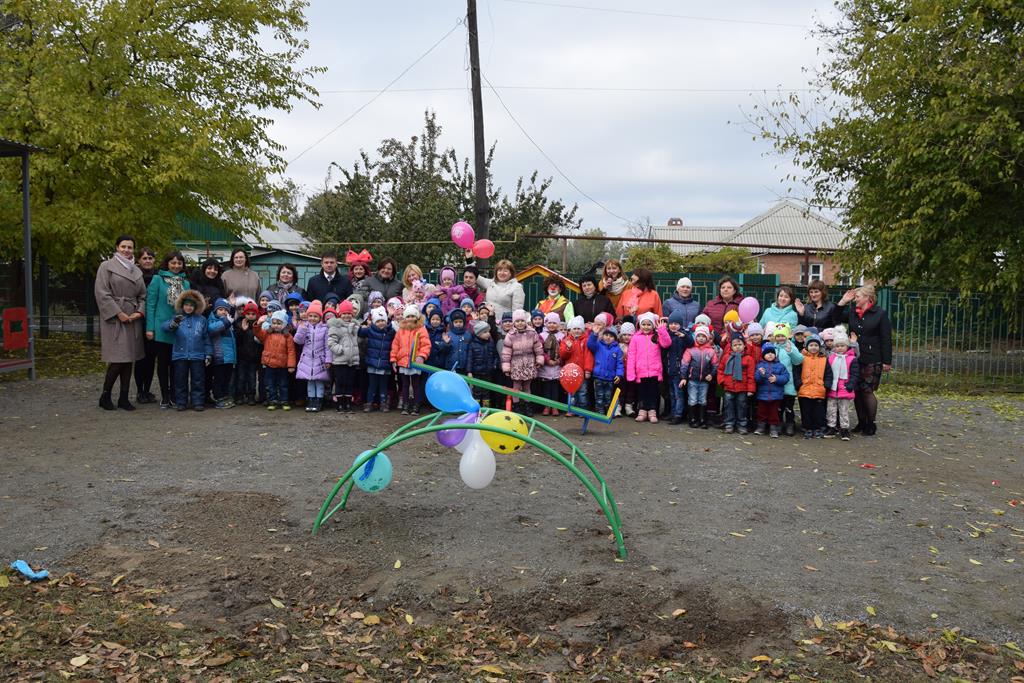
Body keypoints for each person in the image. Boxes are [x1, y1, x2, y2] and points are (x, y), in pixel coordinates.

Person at [94, 235, 148, 411]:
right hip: (115, 318)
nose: (126, 250)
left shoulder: (137, 270)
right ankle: (105, 395)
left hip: (133, 317)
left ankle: (124, 397)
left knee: (129, 359)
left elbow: (143, 295)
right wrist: (118, 313)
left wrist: (139, 311)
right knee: (118, 358)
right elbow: (102, 293)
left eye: (130, 247)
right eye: (123, 246)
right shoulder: (106, 267)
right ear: (117, 247)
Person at [836, 284, 892, 436]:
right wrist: (843, 301)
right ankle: (861, 422)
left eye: (857, 297)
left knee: (867, 390)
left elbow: (886, 338)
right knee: (856, 391)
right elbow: (836, 317)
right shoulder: (853, 313)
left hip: (873, 358)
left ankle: (870, 423)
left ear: (867, 297)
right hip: (854, 358)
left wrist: (887, 361)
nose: (855, 300)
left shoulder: (879, 314)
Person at [146, 250, 190, 408]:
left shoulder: (185, 283)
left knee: (176, 364)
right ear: (167, 263)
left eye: (179, 263)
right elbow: (150, 304)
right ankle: (165, 395)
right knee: (163, 364)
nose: (176, 266)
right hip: (161, 328)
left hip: (179, 329)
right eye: (173, 263)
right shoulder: (157, 279)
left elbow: (188, 306)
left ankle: (174, 394)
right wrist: (150, 328)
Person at [161, 290, 209, 411]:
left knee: (198, 380)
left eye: (191, 305)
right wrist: (173, 324)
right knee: (180, 380)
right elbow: (164, 327)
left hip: (198, 355)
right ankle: (181, 402)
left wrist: (209, 354)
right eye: (186, 305)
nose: (189, 307)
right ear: (182, 306)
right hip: (180, 355)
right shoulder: (177, 318)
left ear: (196, 307)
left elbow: (206, 338)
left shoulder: (202, 320)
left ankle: (197, 402)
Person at [626, 312, 671, 423]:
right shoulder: (635, 338)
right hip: (640, 371)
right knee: (642, 393)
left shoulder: (656, 336)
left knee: (653, 392)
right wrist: (631, 373)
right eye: (644, 324)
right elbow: (631, 356)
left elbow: (666, 343)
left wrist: (662, 330)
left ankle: (652, 412)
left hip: (654, 371)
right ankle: (642, 412)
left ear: (653, 325)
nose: (646, 327)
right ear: (640, 325)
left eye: (649, 324)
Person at [501, 309, 544, 415]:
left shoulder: (532, 333)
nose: (520, 323)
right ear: (514, 322)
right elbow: (506, 352)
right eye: (517, 321)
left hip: (529, 363)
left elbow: (538, 348)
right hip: (516, 364)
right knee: (516, 387)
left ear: (525, 321)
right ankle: (517, 406)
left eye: (522, 321)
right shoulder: (510, 335)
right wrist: (506, 367)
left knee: (527, 387)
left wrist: (539, 360)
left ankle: (527, 406)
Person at [391, 304, 431, 415]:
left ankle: (416, 405)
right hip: (403, 361)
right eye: (408, 316)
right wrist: (393, 358)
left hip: (415, 362)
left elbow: (426, 345)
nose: (410, 319)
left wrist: (421, 356)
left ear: (416, 317)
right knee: (404, 385)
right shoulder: (401, 330)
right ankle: (405, 405)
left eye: (412, 316)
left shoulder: (421, 329)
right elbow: (395, 345)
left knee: (415, 384)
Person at [131, 247, 159, 404]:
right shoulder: (134, 276)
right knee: (140, 358)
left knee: (151, 358)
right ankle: (140, 390)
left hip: (154, 321)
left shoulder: (159, 276)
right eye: (144, 258)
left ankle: (147, 389)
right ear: (139, 260)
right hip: (139, 320)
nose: (147, 261)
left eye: (150, 258)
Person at [294, 300, 331, 412]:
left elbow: (327, 346)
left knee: (319, 381)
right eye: (310, 316)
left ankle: (319, 401)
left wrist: (328, 360)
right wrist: (301, 329)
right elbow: (298, 341)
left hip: (320, 360)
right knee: (310, 381)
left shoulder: (325, 328)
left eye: (315, 316)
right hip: (307, 359)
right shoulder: (304, 326)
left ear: (320, 317)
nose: (312, 318)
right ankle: (310, 400)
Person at [256, 310, 297, 410]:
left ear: (284, 324)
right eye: (274, 323)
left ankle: (284, 400)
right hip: (269, 364)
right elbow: (258, 334)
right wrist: (258, 324)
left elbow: (291, 351)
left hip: (282, 365)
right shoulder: (267, 333)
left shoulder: (288, 336)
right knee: (270, 384)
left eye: (279, 323)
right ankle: (272, 400)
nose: (276, 326)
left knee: (283, 384)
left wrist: (291, 365)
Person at [680, 324, 719, 429]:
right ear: (695, 337)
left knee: (703, 399)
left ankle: (702, 419)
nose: (701, 338)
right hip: (692, 380)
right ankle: (692, 418)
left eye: (703, 336)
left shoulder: (711, 351)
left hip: (704, 381)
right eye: (699, 336)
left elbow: (715, 365)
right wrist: (683, 377)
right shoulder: (690, 349)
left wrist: (711, 374)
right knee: (693, 399)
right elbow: (684, 364)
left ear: (707, 338)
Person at [359, 308, 396, 412]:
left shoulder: (391, 332)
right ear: (374, 322)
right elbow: (360, 332)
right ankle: (369, 403)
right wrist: (363, 325)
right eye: (378, 321)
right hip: (372, 363)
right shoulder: (370, 330)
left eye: (383, 320)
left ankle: (383, 403)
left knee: (383, 385)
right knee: (372, 385)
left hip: (385, 363)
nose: (381, 323)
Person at [824, 329, 859, 440]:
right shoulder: (831, 358)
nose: (839, 348)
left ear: (847, 346)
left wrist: (850, 385)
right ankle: (831, 427)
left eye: (842, 346)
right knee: (831, 410)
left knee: (844, 410)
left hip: (845, 388)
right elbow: (828, 372)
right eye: (837, 346)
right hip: (832, 389)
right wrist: (827, 384)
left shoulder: (852, 359)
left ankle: (844, 429)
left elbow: (855, 374)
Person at [327, 300, 360, 413]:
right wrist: (340, 350)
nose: (346, 316)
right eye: (344, 313)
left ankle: (348, 403)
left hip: (352, 360)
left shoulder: (355, 327)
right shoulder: (336, 326)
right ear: (340, 314)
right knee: (340, 382)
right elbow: (331, 342)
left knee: (350, 382)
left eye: (349, 313)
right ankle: (340, 404)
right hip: (340, 360)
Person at [718, 333, 755, 434]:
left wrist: (751, 389)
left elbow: (751, 375)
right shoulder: (726, 357)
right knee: (728, 406)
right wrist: (722, 381)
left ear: (744, 345)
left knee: (741, 406)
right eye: (735, 345)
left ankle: (742, 425)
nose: (737, 347)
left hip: (742, 388)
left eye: (740, 344)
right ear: (731, 346)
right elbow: (720, 370)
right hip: (728, 386)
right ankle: (729, 424)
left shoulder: (748, 358)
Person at [771, 323, 804, 436]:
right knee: (778, 406)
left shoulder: (791, 346)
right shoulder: (773, 348)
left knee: (789, 406)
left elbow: (799, 360)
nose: (780, 338)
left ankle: (790, 424)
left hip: (789, 382)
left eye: (782, 336)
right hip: (776, 382)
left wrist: (791, 352)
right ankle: (779, 423)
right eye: (778, 336)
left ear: (787, 336)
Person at [206, 298, 237, 409]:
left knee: (227, 378)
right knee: (219, 379)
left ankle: (224, 396)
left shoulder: (229, 322)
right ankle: (218, 398)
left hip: (229, 357)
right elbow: (211, 329)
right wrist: (226, 321)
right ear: (215, 310)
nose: (224, 312)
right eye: (221, 309)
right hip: (219, 357)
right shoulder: (213, 320)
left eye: (226, 310)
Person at [664, 310, 694, 425]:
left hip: (679, 371)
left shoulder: (684, 334)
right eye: (671, 323)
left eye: (676, 324)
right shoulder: (667, 334)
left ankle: (678, 415)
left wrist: (684, 337)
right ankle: (673, 413)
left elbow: (691, 343)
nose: (673, 326)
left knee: (678, 394)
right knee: (671, 394)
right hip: (669, 370)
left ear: (680, 325)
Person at [587, 325, 624, 417]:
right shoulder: (598, 345)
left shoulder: (617, 349)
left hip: (610, 378)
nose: (608, 337)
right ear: (603, 335)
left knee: (608, 396)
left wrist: (619, 375)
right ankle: (600, 412)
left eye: (611, 336)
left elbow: (620, 363)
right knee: (599, 396)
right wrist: (594, 334)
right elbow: (590, 344)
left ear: (615, 338)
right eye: (606, 335)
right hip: (598, 376)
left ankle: (608, 411)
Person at [798, 333, 830, 438]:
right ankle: (807, 428)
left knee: (818, 411)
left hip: (819, 389)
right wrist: (798, 383)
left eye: (816, 345)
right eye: (811, 345)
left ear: (819, 347)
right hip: (804, 389)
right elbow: (796, 371)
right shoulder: (801, 358)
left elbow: (828, 373)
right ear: (807, 346)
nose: (813, 347)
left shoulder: (824, 359)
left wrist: (826, 385)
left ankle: (818, 428)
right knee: (806, 411)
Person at [754, 343, 789, 437]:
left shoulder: (780, 366)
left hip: (776, 395)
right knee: (761, 412)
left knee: (774, 413)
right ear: (763, 355)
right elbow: (756, 379)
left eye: (772, 353)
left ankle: (773, 429)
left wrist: (777, 379)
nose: (770, 354)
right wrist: (761, 374)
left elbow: (786, 377)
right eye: (767, 353)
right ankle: (761, 427)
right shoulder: (760, 366)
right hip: (762, 394)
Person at [559, 316, 594, 410]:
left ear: (582, 330)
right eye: (574, 329)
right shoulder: (566, 340)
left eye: (579, 328)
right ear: (570, 330)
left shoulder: (586, 341)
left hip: (582, 371)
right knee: (571, 392)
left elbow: (588, 356)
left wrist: (588, 370)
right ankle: (571, 409)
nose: (576, 331)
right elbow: (563, 355)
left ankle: (582, 409)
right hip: (570, 373)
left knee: (583, 391)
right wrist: (568, 348)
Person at [233, 301, 262, 406]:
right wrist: (243, 330)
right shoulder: (239, 323)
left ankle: (251, 396)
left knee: (252, 378)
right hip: (242, 357)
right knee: (241, 378)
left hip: (253, 358)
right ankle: (239, 396)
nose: (250, 316)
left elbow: (260, 341)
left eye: (253, 314)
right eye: (248, 314)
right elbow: (237, 340)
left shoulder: (257, 325)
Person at [466, 320, 498, 408]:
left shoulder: (491, 343)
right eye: (485, 332)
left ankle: (485, 408)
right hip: (477, 373)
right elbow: (470, 359)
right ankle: (476, 408)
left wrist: (494, 365)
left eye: (488, 331)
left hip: (488, 372)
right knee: (477, 391)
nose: (488, 334)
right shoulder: (473, 344)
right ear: (478, 334)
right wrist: (469, 371)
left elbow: (495, 355)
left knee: (486, 391)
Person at [537, 313, 564, 414]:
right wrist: (548, 360)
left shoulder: (562, 336)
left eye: (554, 323)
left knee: (555, 387)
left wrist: (558, 360)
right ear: (546, 324)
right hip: (546, 367)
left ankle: (555, 407)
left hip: (557, 366)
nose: (552, 325)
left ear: (558, 324)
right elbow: (540, 350)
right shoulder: (542, 336)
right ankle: (546, 406)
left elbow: (563, 350)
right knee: (546, 388)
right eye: (550, 323)